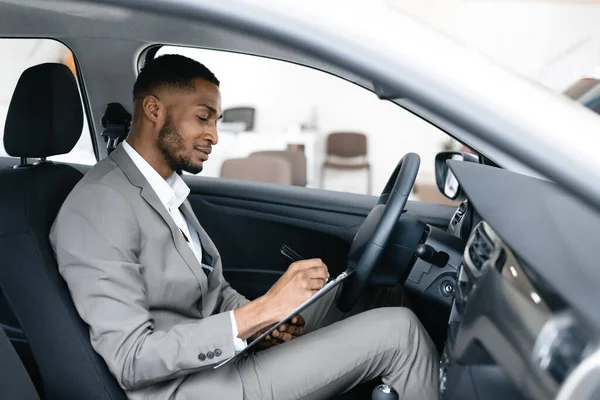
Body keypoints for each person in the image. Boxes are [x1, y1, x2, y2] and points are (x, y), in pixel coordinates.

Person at [50, 55, 439, 400]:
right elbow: (132, 359)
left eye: (216, 121)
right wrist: (258, 315)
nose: (214, 137)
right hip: (196, 387)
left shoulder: (163, 186)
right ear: (153, 110)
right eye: (203, 118)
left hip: (223, 357)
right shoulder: (98, 205)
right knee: (399, 333)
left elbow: (213, 293)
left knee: (380, 295)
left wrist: (265, 324)